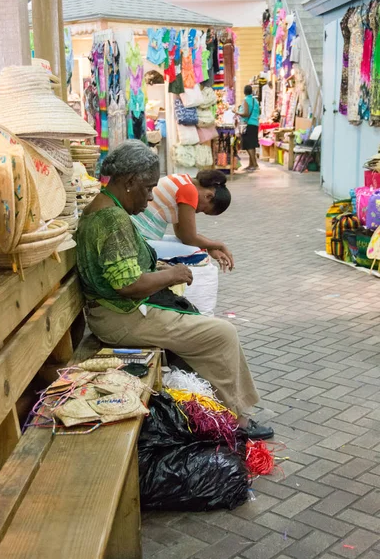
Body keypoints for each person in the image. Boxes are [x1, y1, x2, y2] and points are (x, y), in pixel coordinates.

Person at [76, 140, 272, 439]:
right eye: (148, 188)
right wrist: (174, 275)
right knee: (221, 334)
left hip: (116, 311)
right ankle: (238, 421)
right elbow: (129, 285)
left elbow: (123, 271)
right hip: (120, 318)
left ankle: (216, 409)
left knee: (202, 328)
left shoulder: (105, 210)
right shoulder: (111, 219)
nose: (151, 197)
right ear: (130, 183)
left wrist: (158, 271)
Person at [132, 170, 234, 271]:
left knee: (197, 248)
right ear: (208, 196)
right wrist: (220, 245)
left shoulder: (183, 179)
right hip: (139, 241)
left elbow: (182, 235)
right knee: (197, 253)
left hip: (138, 236)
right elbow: (189, 238)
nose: (198, 211)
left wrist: (210, 247)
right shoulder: (189, 190)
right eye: (204, 209)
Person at [237, 85, 260, 171]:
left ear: (244, 92)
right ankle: (251, 164)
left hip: (249, 124)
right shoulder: (256, 101)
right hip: (255, 124)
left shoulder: (246, 100)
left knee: (248, 145)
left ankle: (254, 164)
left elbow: (246, 113)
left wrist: (237, 112)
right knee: (252, 144)